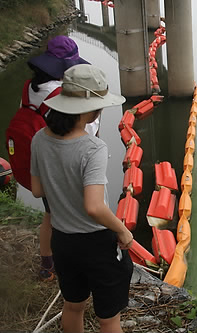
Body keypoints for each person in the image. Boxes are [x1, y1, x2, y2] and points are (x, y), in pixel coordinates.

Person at [30, 64, 133, 333]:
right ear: (89, 110)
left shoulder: (39, 138)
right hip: (97, 243)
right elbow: (94, 206)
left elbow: (38, 191)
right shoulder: (93, 147)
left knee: (73, 304)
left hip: (63, 240)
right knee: (109, 318)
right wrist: (122, 230)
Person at [25, 35, 95, 280]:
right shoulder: (58, 93)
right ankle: (79, 266)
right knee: (77, 216)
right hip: (64, 163)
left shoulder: (29, 87)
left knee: (49, 214)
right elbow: (84, 131)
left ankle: (47, 265)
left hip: (38, 160)